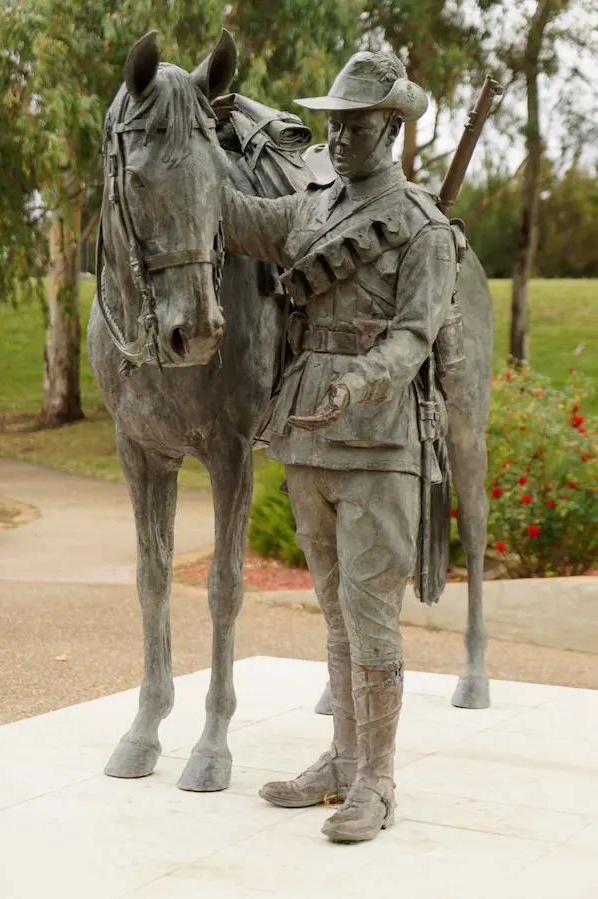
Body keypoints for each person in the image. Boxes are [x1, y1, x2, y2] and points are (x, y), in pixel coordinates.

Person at [221, 50, 457, 843]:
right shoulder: (311, 209)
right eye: (334, 123)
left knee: (371, 615)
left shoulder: (421, 225)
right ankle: (341, 758)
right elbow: (240, 219)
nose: (341, 136)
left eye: (356, 124)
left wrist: (362, 380)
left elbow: (417, 336)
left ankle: (379, 782)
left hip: (382, 441)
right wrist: (185, 147)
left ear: (390, 125)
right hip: (306, 435)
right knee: (333, 613)